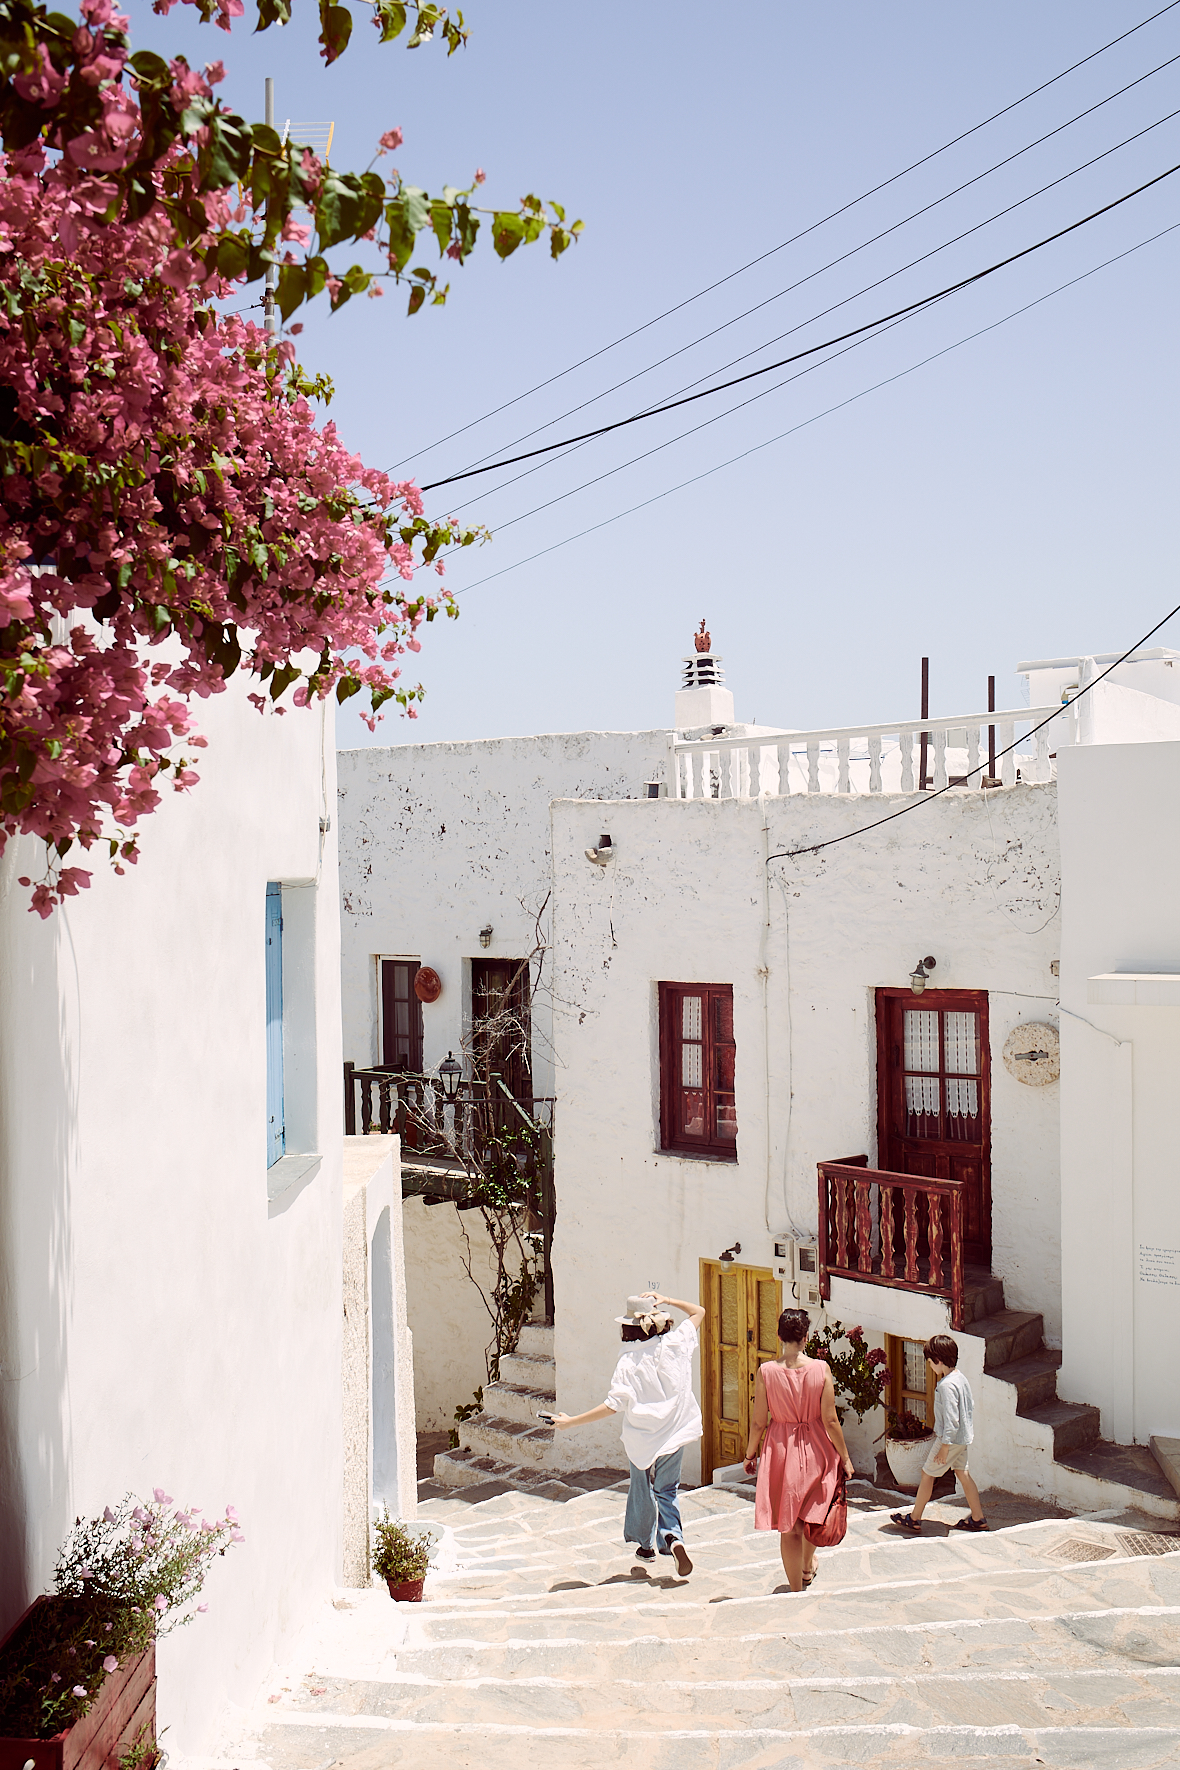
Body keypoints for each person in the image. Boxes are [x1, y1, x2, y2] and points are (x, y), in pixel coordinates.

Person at [550, 1290, 704, 1577]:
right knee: (667, 1490)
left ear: (628, 1328)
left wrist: (572, 1422)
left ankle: (645, 1546)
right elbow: (699, 1312)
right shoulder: (676, 1343)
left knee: (641, 1487)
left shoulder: (628, 1363)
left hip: (642, 1438)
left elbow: (612, 1406)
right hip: (675, 1431)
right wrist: (667, 1300)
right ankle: (673, 1537)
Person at [743, 1306, 855, 1593]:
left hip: (781, 1451)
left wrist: (750, 1453)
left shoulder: (767, 1371)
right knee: (812, 1515)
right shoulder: (821, 1369)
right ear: (806, 1337)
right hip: (817, 1448)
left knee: (789, 1524)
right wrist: (844, 1457)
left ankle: (796, 1588)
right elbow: (830, 1419)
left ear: (779, 1335)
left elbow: (759, 1422)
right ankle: (807, 1567)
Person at [891, 1333, 988, 1534]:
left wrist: (944, 1447)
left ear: (938, 1360)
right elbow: (969, 1408)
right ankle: (978, 1518)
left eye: (929, 1361)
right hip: (961, 1439)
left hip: (949, 1440)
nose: (929, 1365)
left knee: (927, 1474)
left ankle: (915, 1518)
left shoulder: (946, 1386)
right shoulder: (960, 1378)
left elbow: (952, 1419)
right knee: (963, 1473)